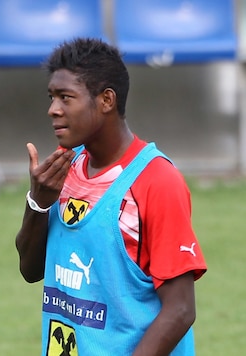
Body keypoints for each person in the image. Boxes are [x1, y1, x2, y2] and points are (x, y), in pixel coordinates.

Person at [14, 38, 207, 355]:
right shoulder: (67, 167)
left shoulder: (156, 180)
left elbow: (181, 310)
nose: (52, 109)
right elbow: (30, 270)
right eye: (51, 97)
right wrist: (38, 201)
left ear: (106, 100)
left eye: (66, 97)